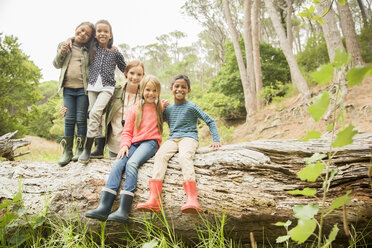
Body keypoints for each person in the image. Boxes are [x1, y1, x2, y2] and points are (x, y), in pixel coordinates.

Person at [137, 74, 222, 214]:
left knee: (184, 157)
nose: (180, 89)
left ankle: (192, 200)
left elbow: (210, 120)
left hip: (189, 138)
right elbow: (155, 121)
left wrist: (216, 139)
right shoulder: (169, 109)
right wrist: (161, 107)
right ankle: (154, 199)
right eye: (177, 86)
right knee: (160, 156)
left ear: (188, 90)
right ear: (171, 89)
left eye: (183, 87)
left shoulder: (192, 107)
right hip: (173, 139)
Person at [85, 75, 165, 223]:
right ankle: (104, 207)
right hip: (134, 143)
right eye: (148, 89)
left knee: (131, 164)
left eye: (154, 90)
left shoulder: (161, 107)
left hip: (151, 143)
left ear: (158, 92)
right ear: (142, 90)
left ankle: (123, 209)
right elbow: (127, 132)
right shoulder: (134, 109)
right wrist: (124, 146)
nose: (151, 93)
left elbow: (177, 115)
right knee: (118, 163)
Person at [79, 19, 126, 164]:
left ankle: (87, 149)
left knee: (94, 113)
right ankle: (98, 149)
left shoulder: (115, 53)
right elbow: (79, 39)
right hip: (92, 86)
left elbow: (126, 70)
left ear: (111, 35)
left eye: (106, 31)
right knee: (96, 118)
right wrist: (69, 39)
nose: (102, 34)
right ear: (95, 35)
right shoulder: (92, 49)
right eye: (99, 31)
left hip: (107, 87)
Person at [53, 21, 95, 167]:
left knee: (81, 119)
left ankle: (80, 149)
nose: (83, 34)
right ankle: (67, 151)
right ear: (76, 29)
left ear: (90, 38)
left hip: (83, 90)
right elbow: (57, 64)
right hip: (68, 90)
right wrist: (62, 52)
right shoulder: (65, 45)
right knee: (69, 119)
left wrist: (111, 47)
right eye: (82, 30)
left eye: (87, 34)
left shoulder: (88, 50)